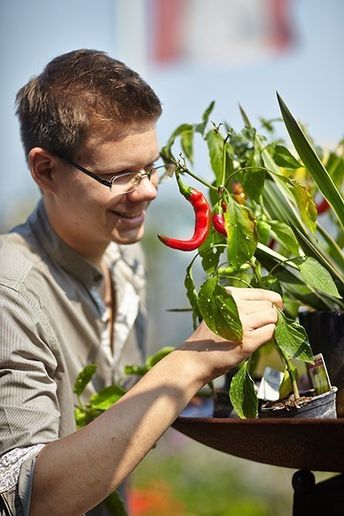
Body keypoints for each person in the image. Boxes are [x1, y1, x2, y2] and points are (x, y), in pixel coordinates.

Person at [0, 49, 282, 516]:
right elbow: (28, 498)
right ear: (46, 170)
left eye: (152, 167)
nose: (149, 190)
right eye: (120, 175)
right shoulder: (12, 293)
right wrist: (189, 364)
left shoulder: (126, 259)